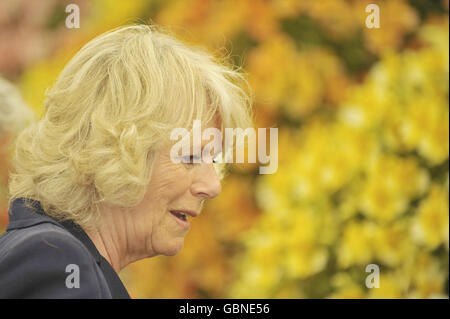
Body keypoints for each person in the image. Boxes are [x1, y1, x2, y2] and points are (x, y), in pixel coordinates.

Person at [0, 24, 253, 298]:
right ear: (113, 148)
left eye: (213, 160)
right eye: (191, 156)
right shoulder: (56, 259)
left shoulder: (63, 257)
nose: (213, 185)